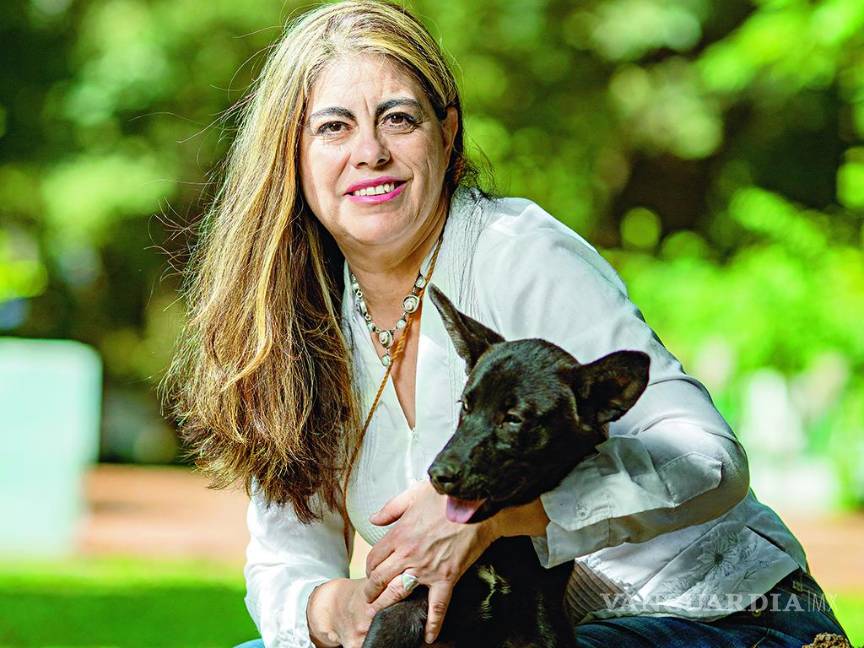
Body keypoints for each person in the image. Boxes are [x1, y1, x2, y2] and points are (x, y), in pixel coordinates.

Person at [163, 1, 851, 647]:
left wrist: (504, 517)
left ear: (447, 133)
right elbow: (286, 554)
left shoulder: (520, 254)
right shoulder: (299, 320)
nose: (369, 151)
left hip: (729, 615)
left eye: (398, 119)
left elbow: (709, 458)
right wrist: (330, 607)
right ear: (291, 153)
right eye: (333, 127)